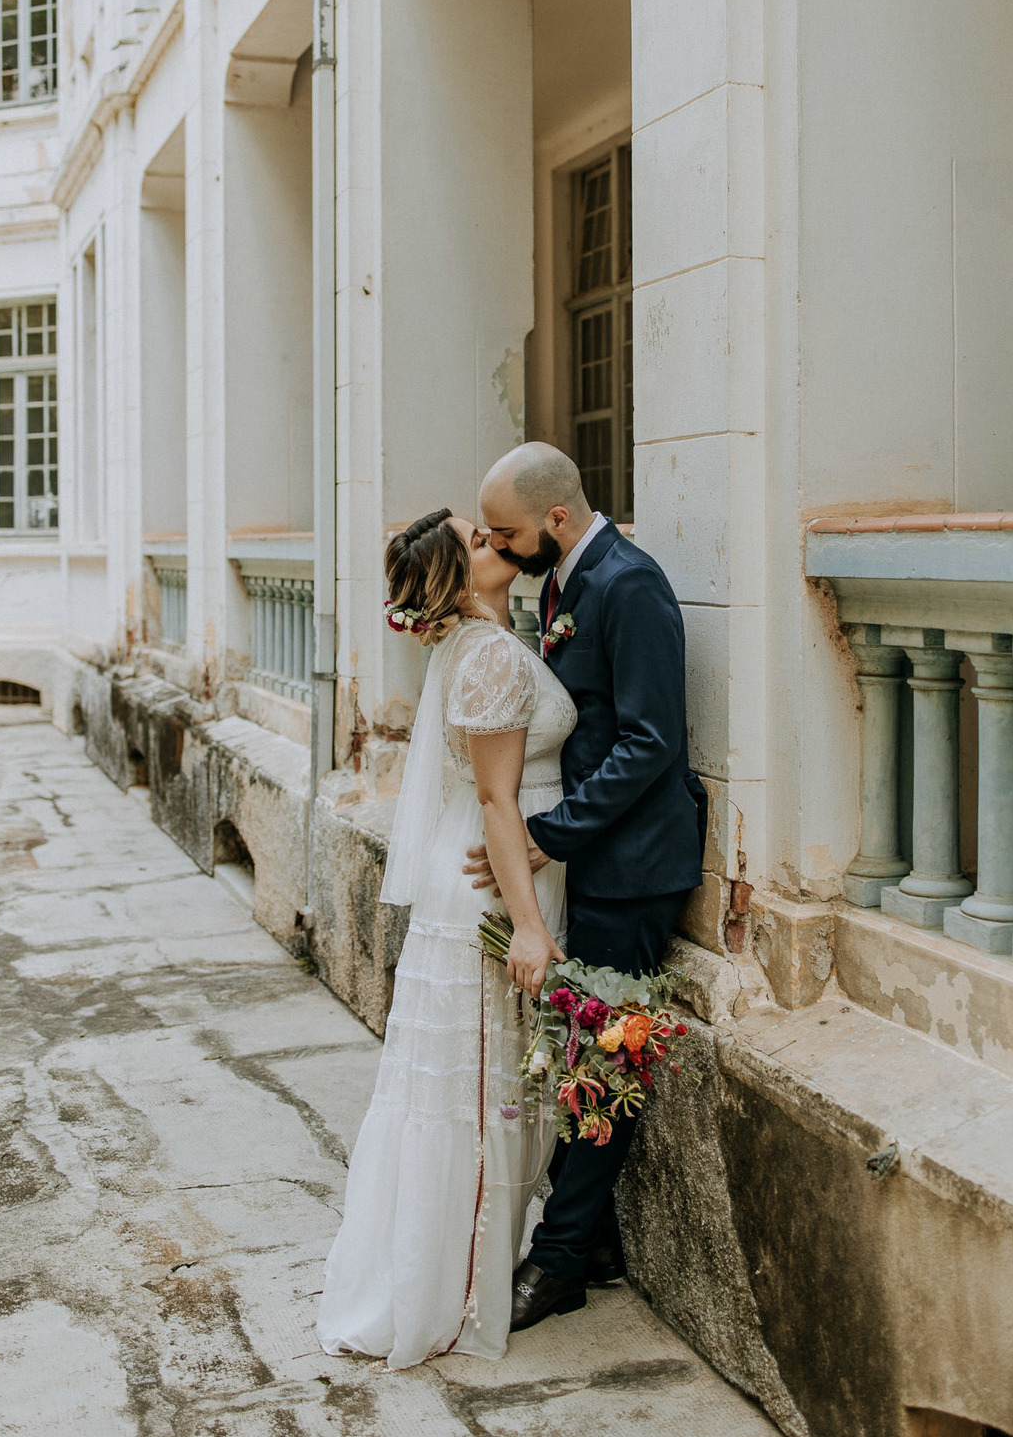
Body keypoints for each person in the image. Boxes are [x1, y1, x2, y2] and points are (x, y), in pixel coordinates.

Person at [316, 507, 577, 1367]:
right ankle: (453, 1289)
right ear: (457, 583)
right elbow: (501, 802)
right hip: (493, 893)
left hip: (482, 873)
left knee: (471, 1089)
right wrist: (530, 929)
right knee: (479, 1093)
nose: (494, 539)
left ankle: (451, 1265)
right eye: (476, 539)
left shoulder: (478, 646)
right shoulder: (492, 655)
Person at [467, 442, 706, 1332]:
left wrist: (543, 836)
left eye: (508, 531)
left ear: (556, 519)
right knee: (581, 1049)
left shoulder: (627, 584)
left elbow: (649, 742)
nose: (499, 543)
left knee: (603, 1059)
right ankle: (594, 1239)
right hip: (596, 859)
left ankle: (560, 1261)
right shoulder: (566, 576)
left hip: (635, 864)